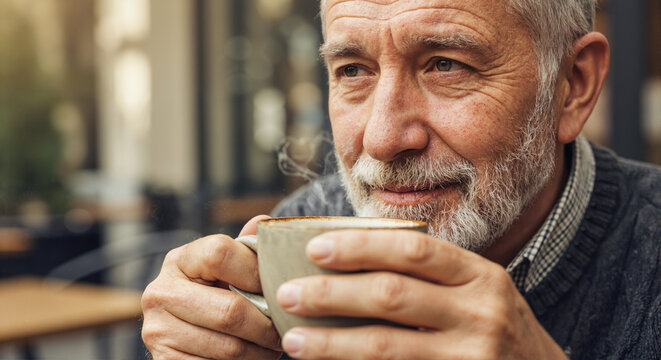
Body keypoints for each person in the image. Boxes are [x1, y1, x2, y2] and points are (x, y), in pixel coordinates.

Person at [141, 0, 661, 359]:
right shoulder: (298, 234)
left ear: (573, 86)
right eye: (352, 70)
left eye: (445, 65)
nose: (383, 139)